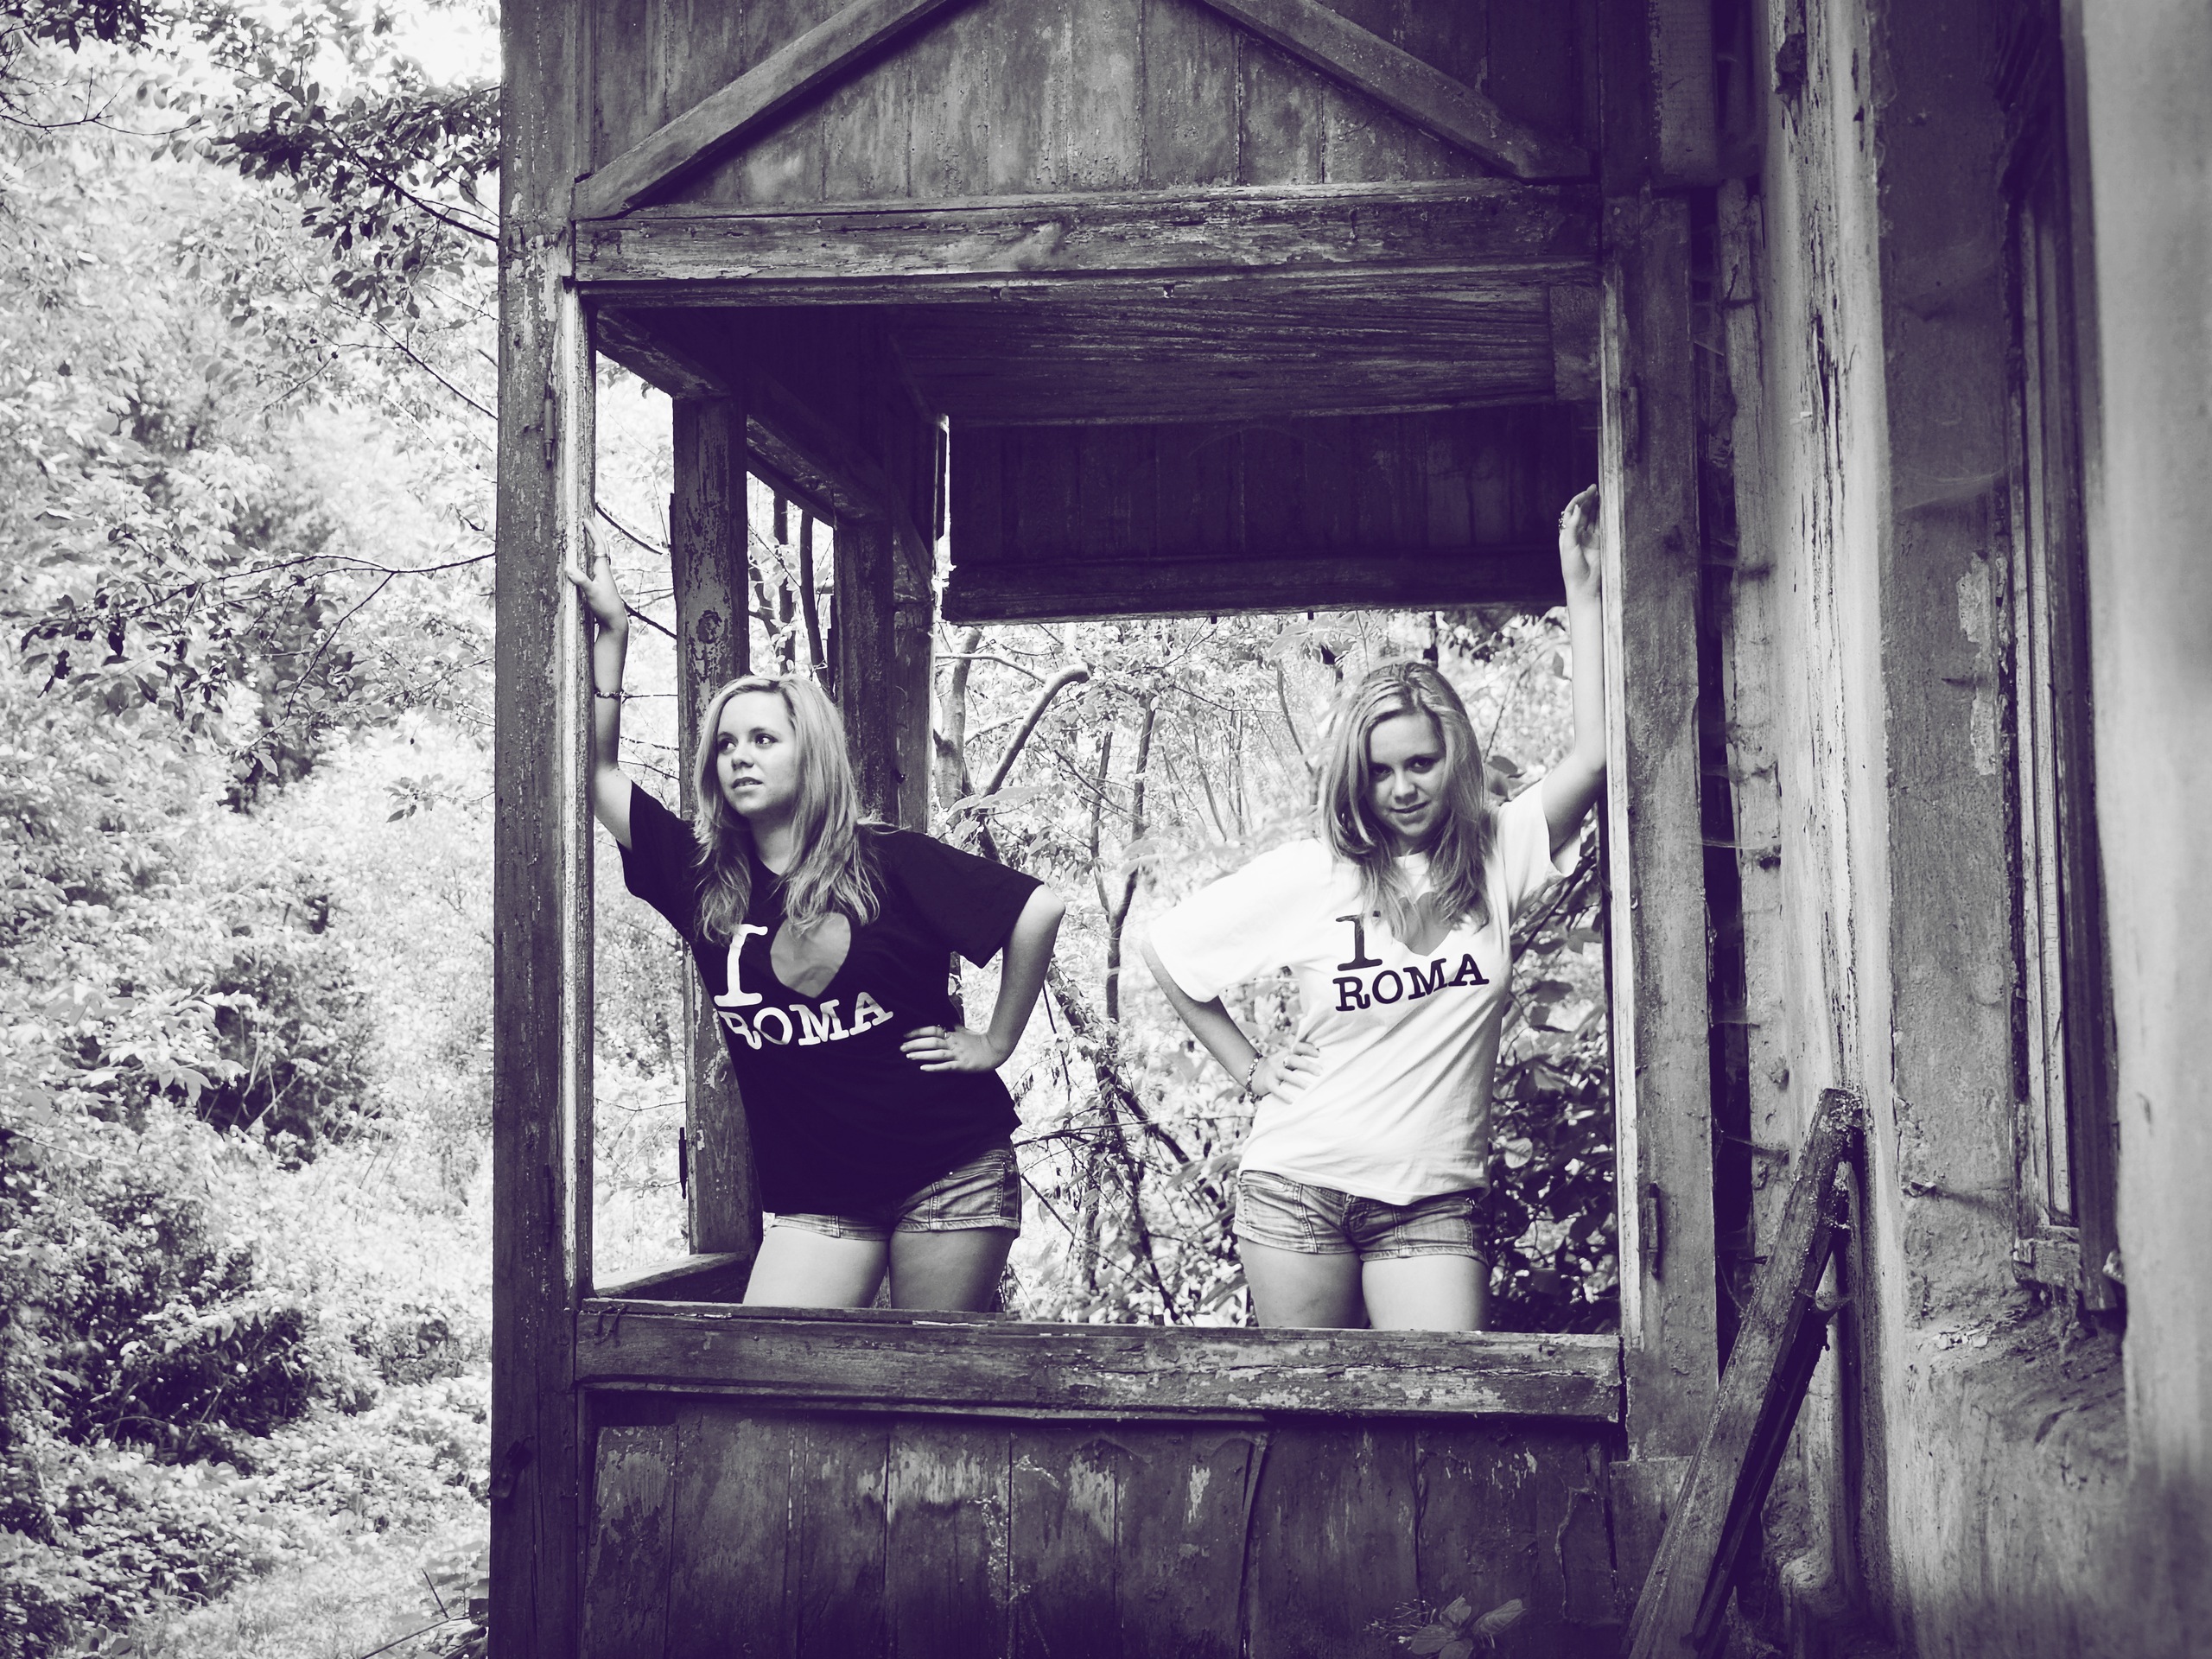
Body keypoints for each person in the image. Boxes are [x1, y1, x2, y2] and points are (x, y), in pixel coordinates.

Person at [1141, 487, 1606, 1331]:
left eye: (1420, 763)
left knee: (1443, 1400)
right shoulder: (1311, 875)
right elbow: (1169, 949)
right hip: (1297, 1189)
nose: (1402, 788)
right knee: (1307, 1407)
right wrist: (1249, 1068)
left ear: (1453, 758)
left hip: (1431, 1199)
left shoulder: (1499, 853)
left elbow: (1598, 755)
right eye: (1381, 770)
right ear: (1356, 776)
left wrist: (1583, 586)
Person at [566, 546, 1065, 1313]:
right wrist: (615, 634)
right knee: (764, 1367)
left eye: (763, 740)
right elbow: (600, 777)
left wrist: (995, 1042)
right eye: (726, 744)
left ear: (812, 754)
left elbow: (1038, 908)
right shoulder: (700, 876)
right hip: (820, 1194)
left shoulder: (888, 862)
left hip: (949, 1168)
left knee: (922, 1372)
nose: (739, 758)